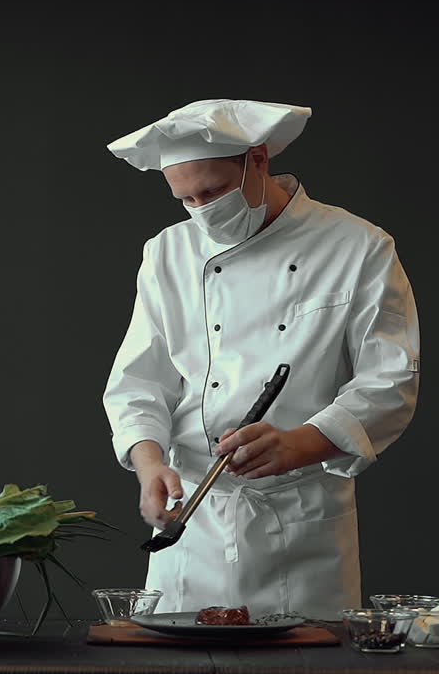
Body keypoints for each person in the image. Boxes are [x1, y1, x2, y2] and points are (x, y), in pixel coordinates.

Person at [101, 99, 420, 619]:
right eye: (186, 198)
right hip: (192, 521)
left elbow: (391, 380)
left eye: (214, 191)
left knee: (303, 672)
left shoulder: (357, 246)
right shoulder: (167, 253)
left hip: (299, 519)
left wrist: (302, 443)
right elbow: (138, 382)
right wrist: (150, 463)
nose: (202, 208)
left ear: (258, 159)